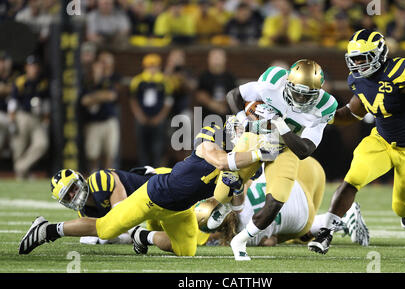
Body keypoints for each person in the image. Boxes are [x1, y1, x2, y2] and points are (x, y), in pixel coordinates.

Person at [18, 124, 278, 256]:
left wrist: (235, 191)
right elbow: (222, 161)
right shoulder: (210, 139)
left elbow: (238, 205)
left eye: (241, 130)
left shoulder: (244, 164)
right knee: (107, 228)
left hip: (179, 208)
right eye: (236, 128)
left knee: (186, 252)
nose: (237, 131)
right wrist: (257, 152)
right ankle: (47, 230)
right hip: (155, 195)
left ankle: (142, 238)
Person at [308, 29, 405, 255]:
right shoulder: (357, 81)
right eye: (354, 59)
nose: (358, 63)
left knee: (402, 208)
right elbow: (352, 113)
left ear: (380, 54)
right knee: (353, 179)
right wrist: (323, 115)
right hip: (380, 141)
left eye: (363, 57)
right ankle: (326, 232)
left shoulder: (400, 71)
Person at [208, 59, 338, 260]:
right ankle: (227, 204)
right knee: (222, 190)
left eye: (307, 95)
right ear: (287, 83)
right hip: (257, 137)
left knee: (276, 201)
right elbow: (234, 95)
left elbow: (304, 150)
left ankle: (240, 240)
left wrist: (279, 123)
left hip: (286, 149)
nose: (301, 99)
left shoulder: (325, 106)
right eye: (297, 92)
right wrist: (244, 120)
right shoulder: (273, 81)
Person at [196, 157, 369, 248]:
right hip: (304, 170)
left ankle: (339, 221)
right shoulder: (234, 194)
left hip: (303, 217)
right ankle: (340, 218)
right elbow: (247, 180)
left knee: (286, 235)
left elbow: (270, 241)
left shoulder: (243, 238)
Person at [49, 166, 170, 245]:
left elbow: (124, 219)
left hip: (164, 183)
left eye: (73, 188)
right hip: (154, 211)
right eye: (67, 196)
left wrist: (109, 237)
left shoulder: (98, 180)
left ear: (80, 179)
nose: (73, 195)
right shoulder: (85, 212)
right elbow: (129, 236)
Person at [8, 55, 50, 179]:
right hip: (22, 116)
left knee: (42, 144)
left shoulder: (43, 82)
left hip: (37, 118)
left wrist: (46, 120)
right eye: (31, 66)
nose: (34, 68)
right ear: (26, 67)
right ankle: (21, 175)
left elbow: (47, 103)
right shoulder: (20, 81)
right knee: (19, 146)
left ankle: (20, 168)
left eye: (36, 66)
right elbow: (13, 101)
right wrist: (12, 119)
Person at [129, 53, 172, 167]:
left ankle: (156, 172)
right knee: (142, 147)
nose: (152, 69)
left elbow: (168, 101)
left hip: (158, 118)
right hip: (142, 118)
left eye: (155, 66)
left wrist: (160, 117)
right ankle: (143, 171)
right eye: (150, 66)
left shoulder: (164, 81)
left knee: (158, 147)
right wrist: (139, 115)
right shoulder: (138, 81)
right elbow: (133, 99)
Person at [80, 52, 121, 173]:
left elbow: (111, 95)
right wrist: (99, 96)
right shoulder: (86, 83)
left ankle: (108, 180)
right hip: (93, 123)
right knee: (92, 154)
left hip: (108, 121)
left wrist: (93, 98)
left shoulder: (107, 82)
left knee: (109, 153)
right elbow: (84, 101)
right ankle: (93, 177)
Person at [194, 48, 236, 121]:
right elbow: (199, 95)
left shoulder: (230, 77)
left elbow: (234, 95)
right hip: (206, 117)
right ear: (209, 59)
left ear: (225, 59)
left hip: (227, 118)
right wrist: (213, 105)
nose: (217, 60)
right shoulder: (203, 77)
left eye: (219, 57)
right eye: (214, 57)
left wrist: (223, 105)